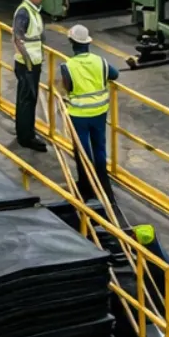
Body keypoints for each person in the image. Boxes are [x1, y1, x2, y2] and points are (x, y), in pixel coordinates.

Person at [56, 24, 119, 205]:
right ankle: (103, 183)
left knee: (82, 151)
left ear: (71, 42)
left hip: (78, 115)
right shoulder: (100, 61)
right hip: (99, 112)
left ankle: (87, 187)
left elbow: (68, 87)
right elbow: (114, 75)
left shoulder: (68, 66)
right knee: (99, 147)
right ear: (88, 43)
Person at [13, 0, 50, 152]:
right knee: (27, 100)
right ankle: (26, 137)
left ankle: (25, 132)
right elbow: (18, 39)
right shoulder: (24, 12)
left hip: (33, 63)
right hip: (27, 65)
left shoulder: (33, 10)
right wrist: (28, 63)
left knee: (28, 99)